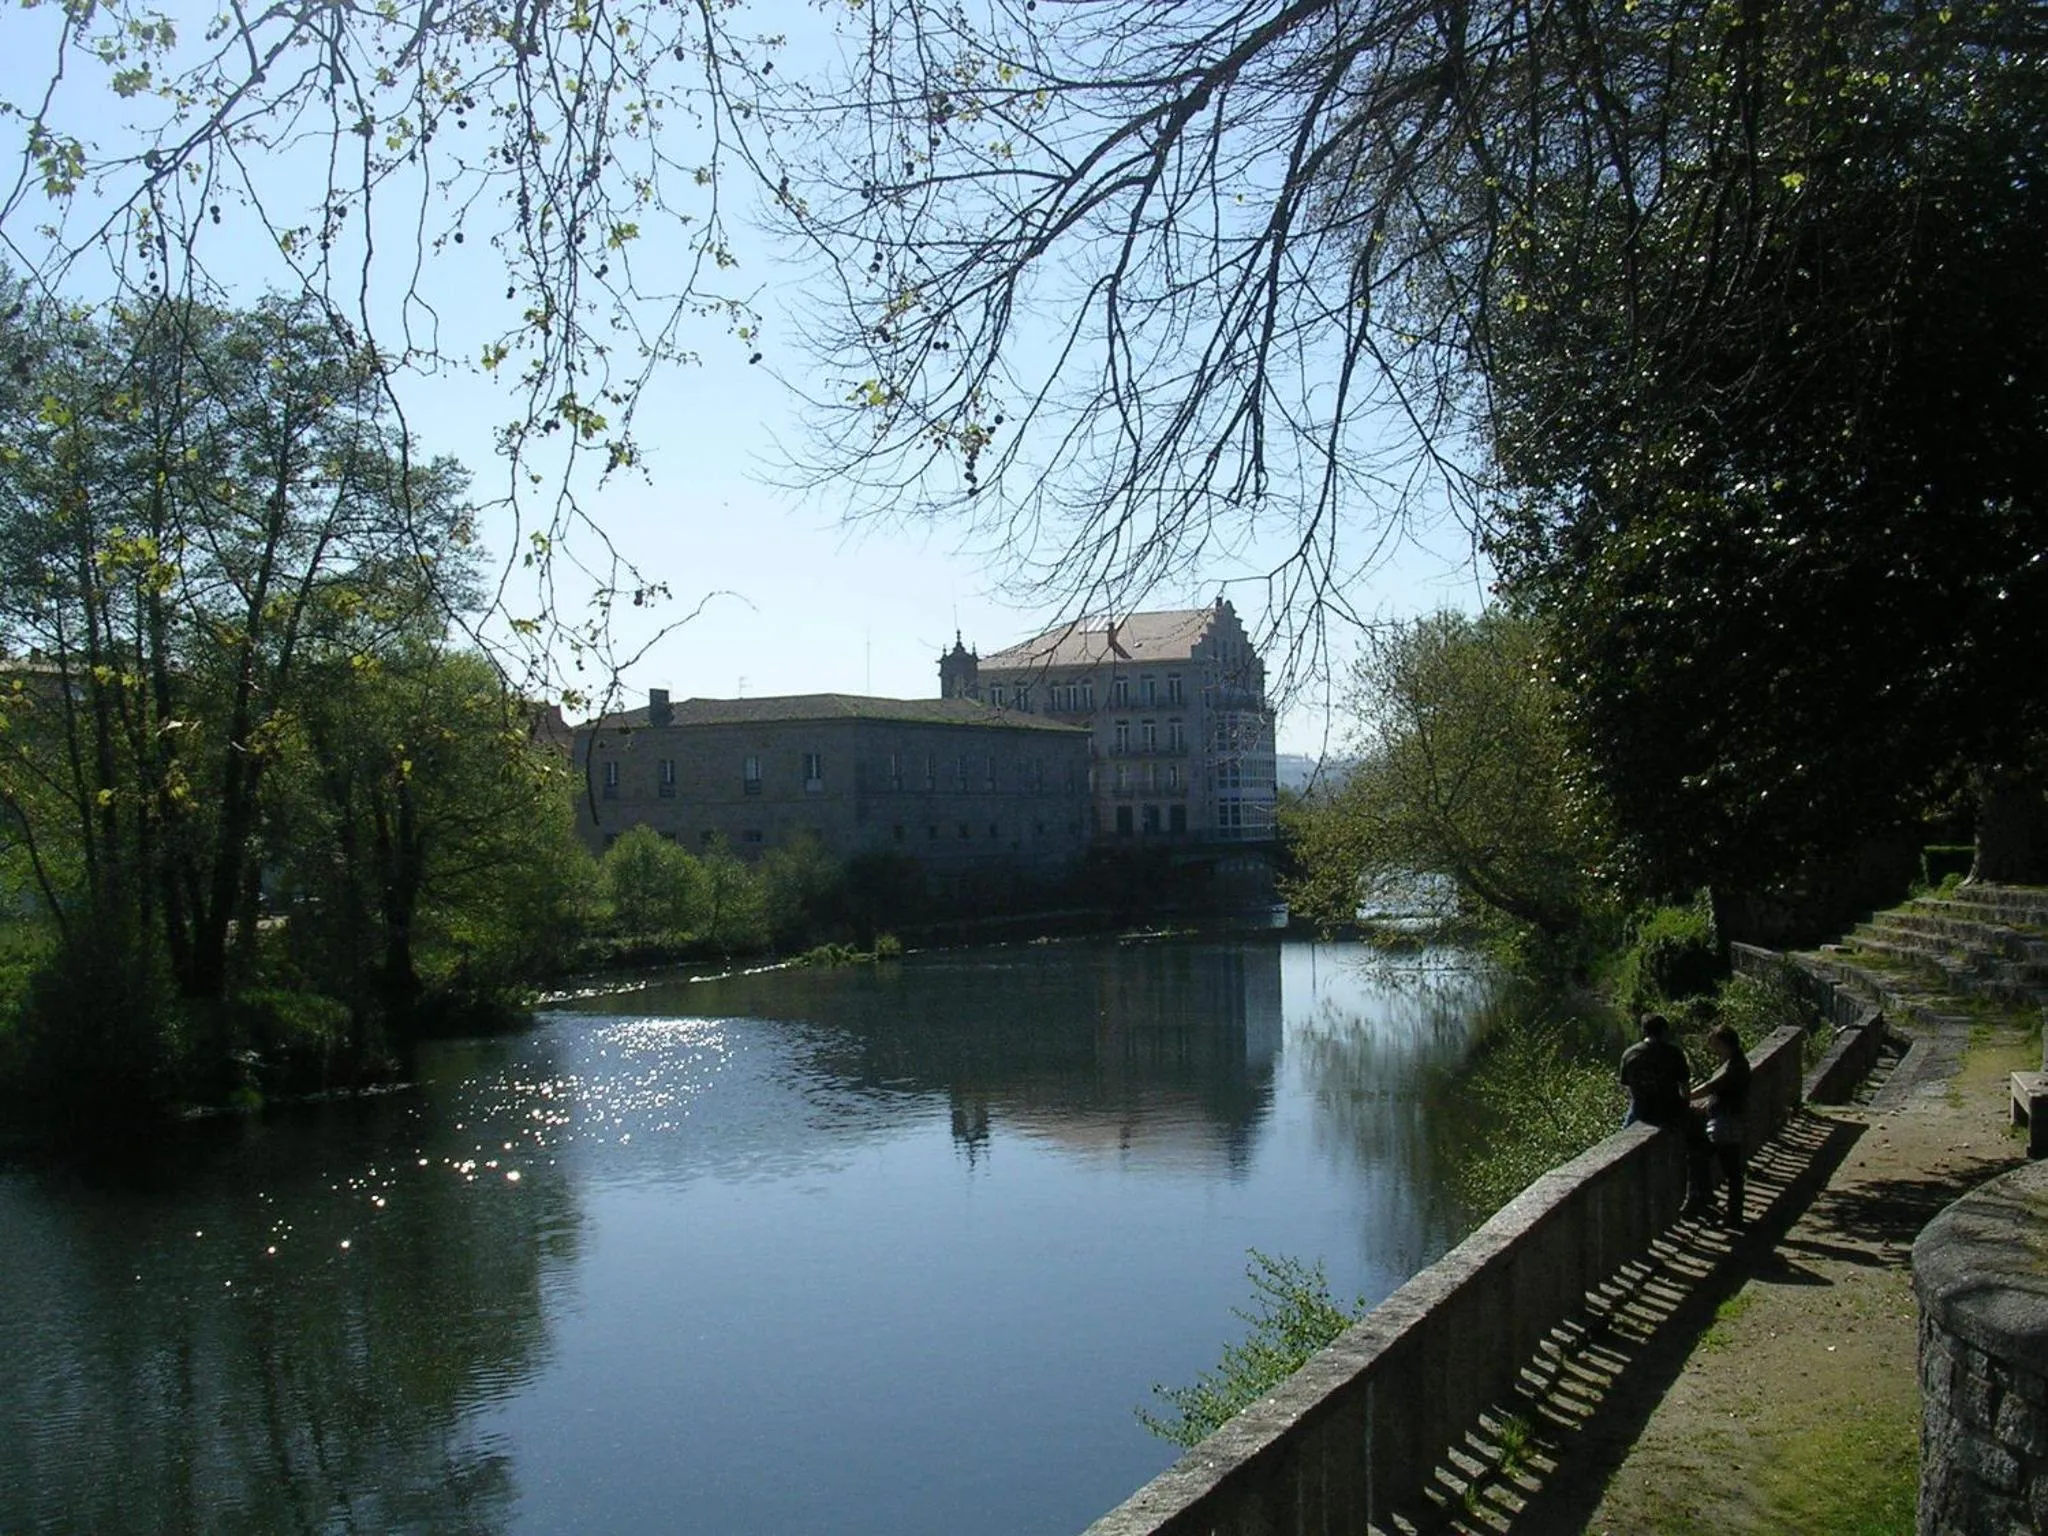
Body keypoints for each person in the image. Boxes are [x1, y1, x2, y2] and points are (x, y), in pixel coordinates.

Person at [1687, 1023, 1753, 1226]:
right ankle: (1708, 1202)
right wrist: (1707, 1104)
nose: (1714, 1051)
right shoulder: (1736, 1063)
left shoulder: (1735, 1066)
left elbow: (1712, 1087)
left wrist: (1686, 1097)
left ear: (1725, 1043)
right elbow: (1722, 1092)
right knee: (1703, 1159)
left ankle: (1732, 1216)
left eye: (1716, 1046)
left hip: (1725, 1124)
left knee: (1730, 1170)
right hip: (1725, 1121)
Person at [1619, 1012, 1691, 1128]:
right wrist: (1685, 1108)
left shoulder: (1629, 1054)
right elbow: (1684, 1085)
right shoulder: (1673, 1053)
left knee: (1624, 1132)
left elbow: (1627, 1085)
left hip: (1641, 1109)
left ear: (1644, 1031)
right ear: (1664, 1030)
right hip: (1669, 1108)